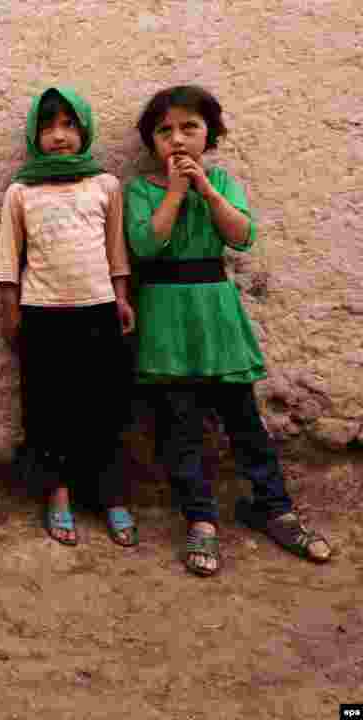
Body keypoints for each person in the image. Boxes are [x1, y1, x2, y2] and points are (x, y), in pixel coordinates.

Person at [124, 85, 332, 576]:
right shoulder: (140, 190)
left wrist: (207, 191)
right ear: (151, 141)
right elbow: (145, 245)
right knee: (181, 429)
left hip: (217, 318)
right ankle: (200, 520)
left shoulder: (223, 183)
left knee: (245, 424)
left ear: (209, 135)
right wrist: (174, 193)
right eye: (164, 130)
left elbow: (241, 236)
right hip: (167, 320)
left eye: (189, 127)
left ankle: (274, 506)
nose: (177, 139)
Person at [0, 87, 137, 548]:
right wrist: (11, 309)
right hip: (42, 315)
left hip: (98, 312)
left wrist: (121, 298)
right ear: (35, 134)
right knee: (46, 409)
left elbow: (116, 250)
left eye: (69, 125)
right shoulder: (21, 191)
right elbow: (8, 258)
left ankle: (111, 496)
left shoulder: (105, 185)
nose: (59, 136)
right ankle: (57, 494)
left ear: (84, 131)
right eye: (48, 126)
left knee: (105, 407)